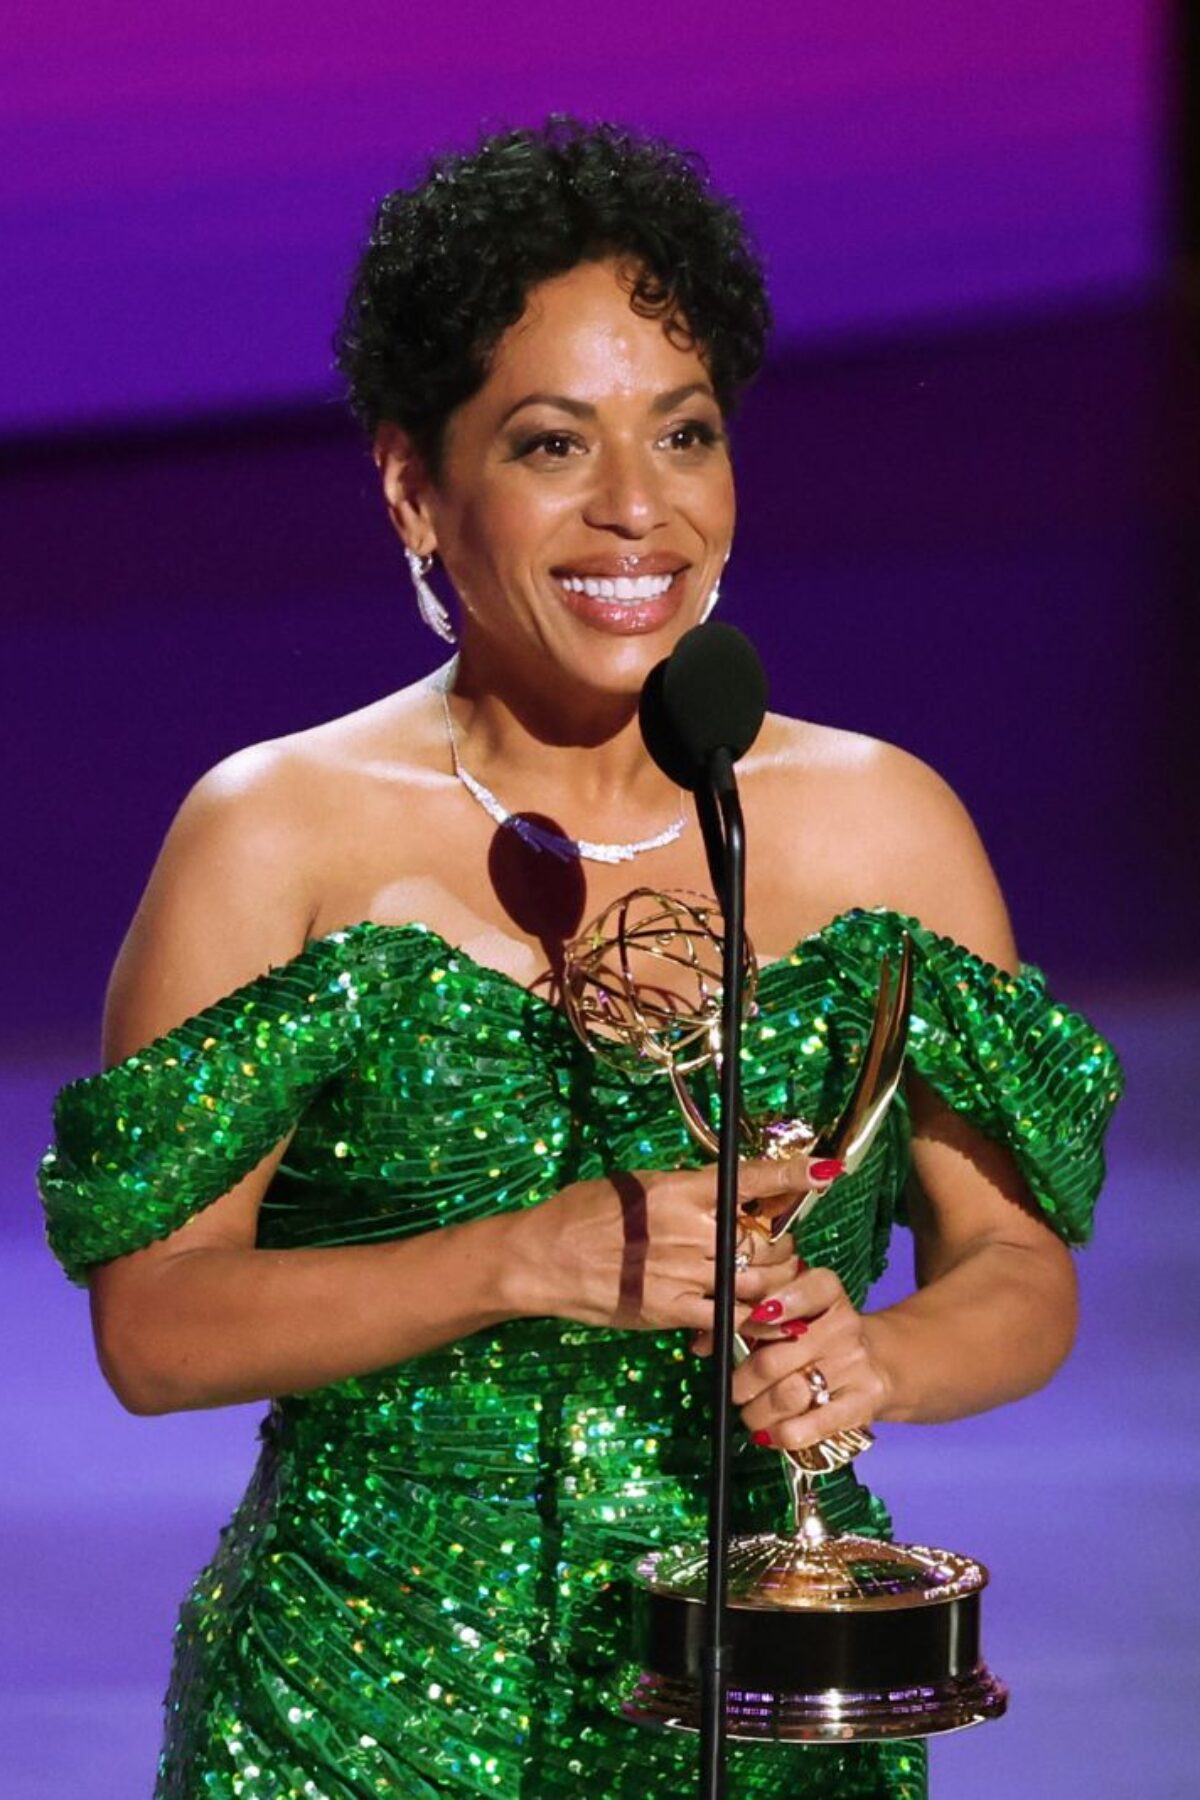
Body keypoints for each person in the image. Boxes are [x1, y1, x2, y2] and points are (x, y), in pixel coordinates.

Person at [38, 119, 1122, 1799]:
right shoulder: (278, 832)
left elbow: (1019, 1274)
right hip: (356, 1729)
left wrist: (883, 1356)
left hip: (767, 1709)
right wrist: (520, 1259)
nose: (640, 509)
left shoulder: (879, 827)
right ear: (414, 482)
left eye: (684, 433)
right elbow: (156, 1334)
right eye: (552, 443)